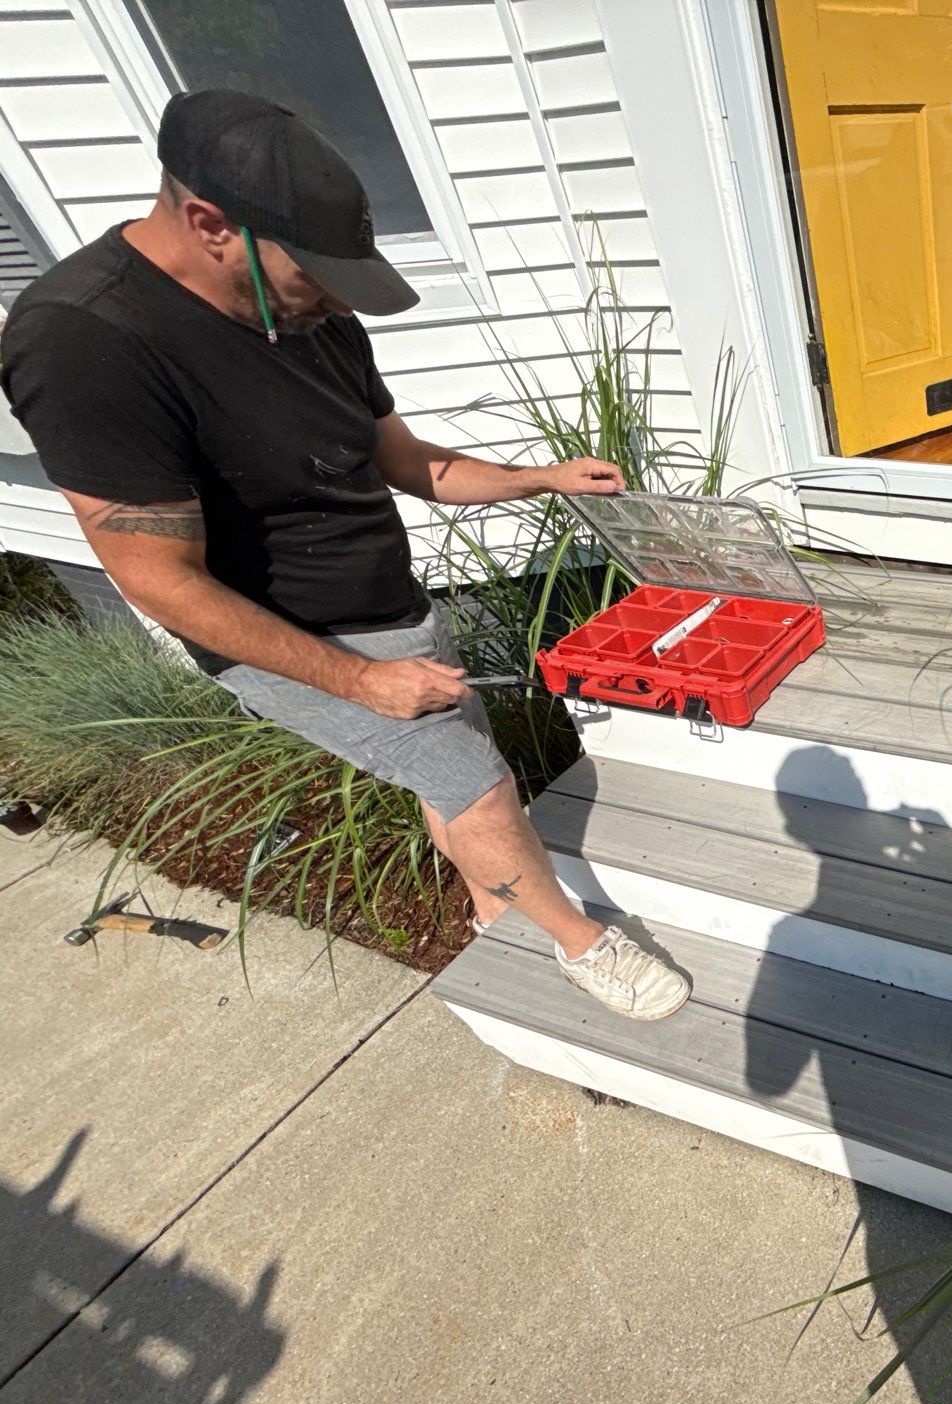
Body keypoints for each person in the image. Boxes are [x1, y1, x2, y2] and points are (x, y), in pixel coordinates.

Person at [0, 89, 687, 1022]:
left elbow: (407, 462)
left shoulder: (315, 319)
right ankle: (583, 948)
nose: (330, 301)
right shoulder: (86, 340)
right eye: (312, 275)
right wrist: (362, 684)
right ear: (209, 223)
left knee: (455, 772)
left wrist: (544, 477)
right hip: (286, 637)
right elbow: (155, 578)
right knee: (479, 791)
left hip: (387, 605)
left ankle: (494, 908)